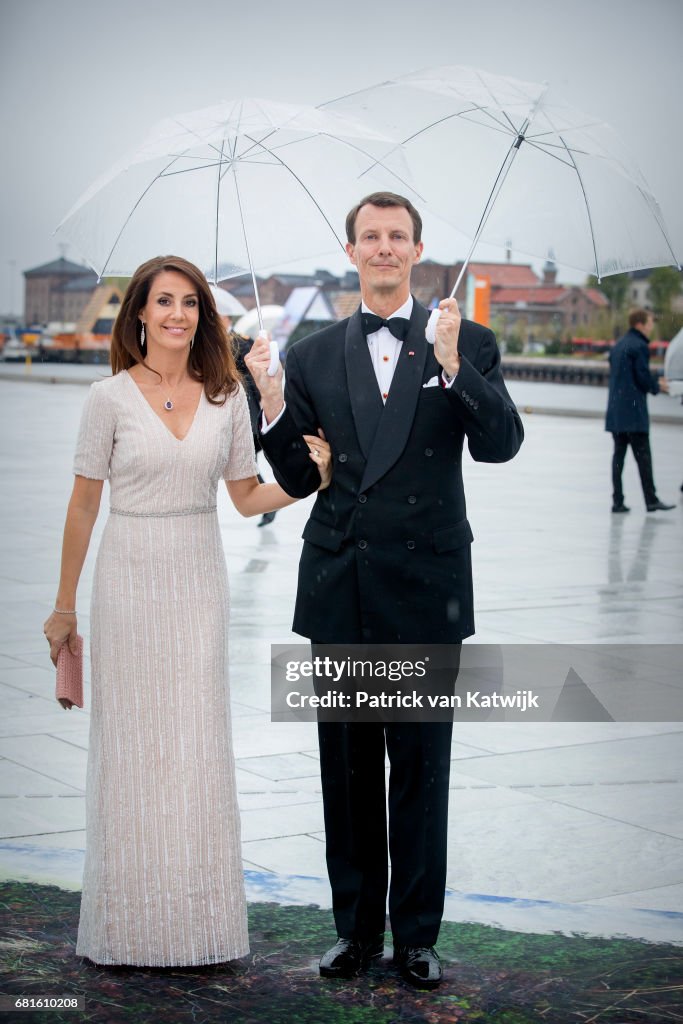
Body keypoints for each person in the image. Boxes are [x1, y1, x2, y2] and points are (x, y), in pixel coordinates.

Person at [245, 192, 524, 989]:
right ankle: (354, 933)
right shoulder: (308, 354)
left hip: (426, 587)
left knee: (421, 774)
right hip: (340, 586)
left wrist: (450, 366)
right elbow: (299, 476)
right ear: (350, 248)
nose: (383, 249)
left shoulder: (466, 339)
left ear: (417, 249)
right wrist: (269, 405)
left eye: (396, 237)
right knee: (347, 773)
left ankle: (416, 941)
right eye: (370, 237)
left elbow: (501, 445)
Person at [43, 256, 330, 967]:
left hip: (197, 582)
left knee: (195, 749)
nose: (177, 314)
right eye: (163, 302)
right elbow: (84, 505)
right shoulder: (106, 398)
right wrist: (62, 606)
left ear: (202, 316)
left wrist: (311, 481)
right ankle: (125, 927)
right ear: (138, 312)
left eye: (189, 303)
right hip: (128, 579)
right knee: (131, 751)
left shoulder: (226, 396)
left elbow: (246, 497)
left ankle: (200, 930)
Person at [606, 308, 673, 513]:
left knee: (618, 458)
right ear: (640, 324)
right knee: (644, 458)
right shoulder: (640, 346)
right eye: (650, 322)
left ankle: (617, 501)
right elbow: (642, 377)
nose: (652, 326)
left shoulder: (618, 345)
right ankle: (651, 499)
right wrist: (657, 386)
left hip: (617, 412)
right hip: (634, 415)